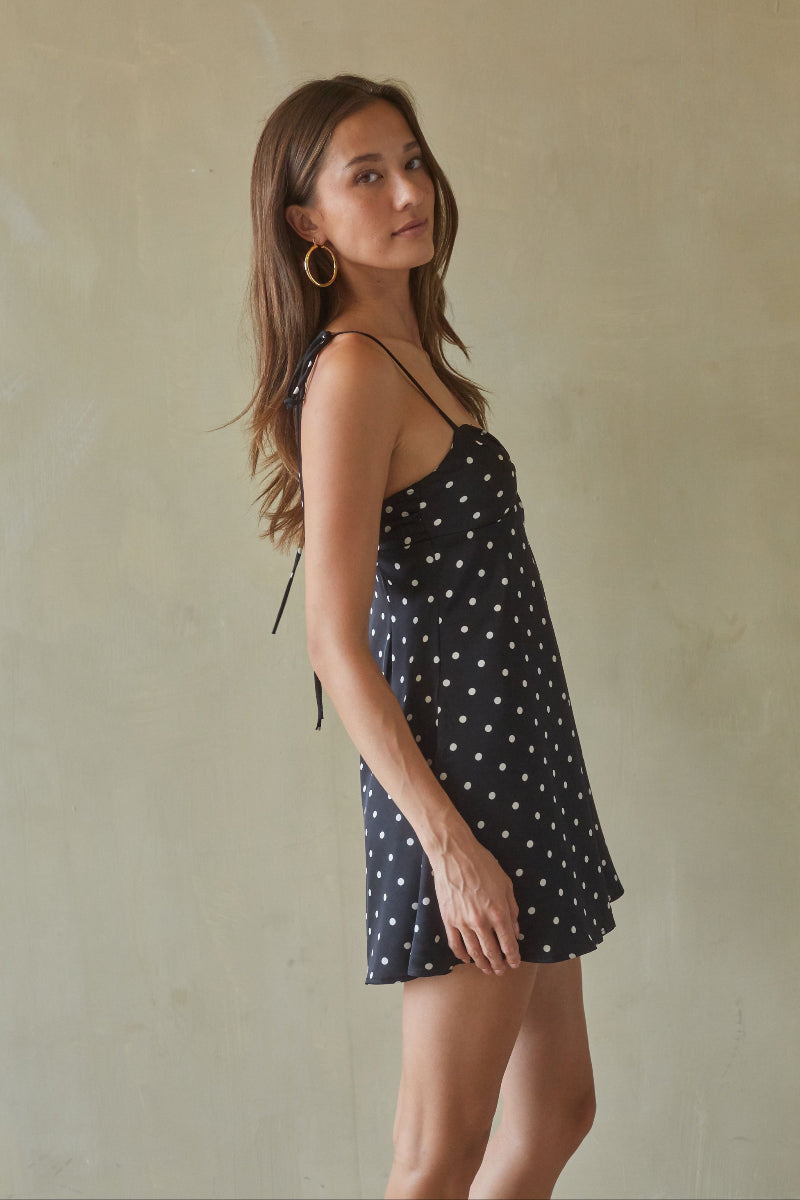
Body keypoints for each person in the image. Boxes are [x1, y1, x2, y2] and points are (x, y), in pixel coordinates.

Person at [242, 74, 623, 1200]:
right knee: (436, 1158)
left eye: (412, 161)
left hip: (522, 768)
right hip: (461, 789)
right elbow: (334, 642)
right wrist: (449, 848)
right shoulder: (353, 372)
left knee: (556, 1111)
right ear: (307, 222)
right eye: (367, 175)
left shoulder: (410, 361)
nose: (410, 191)